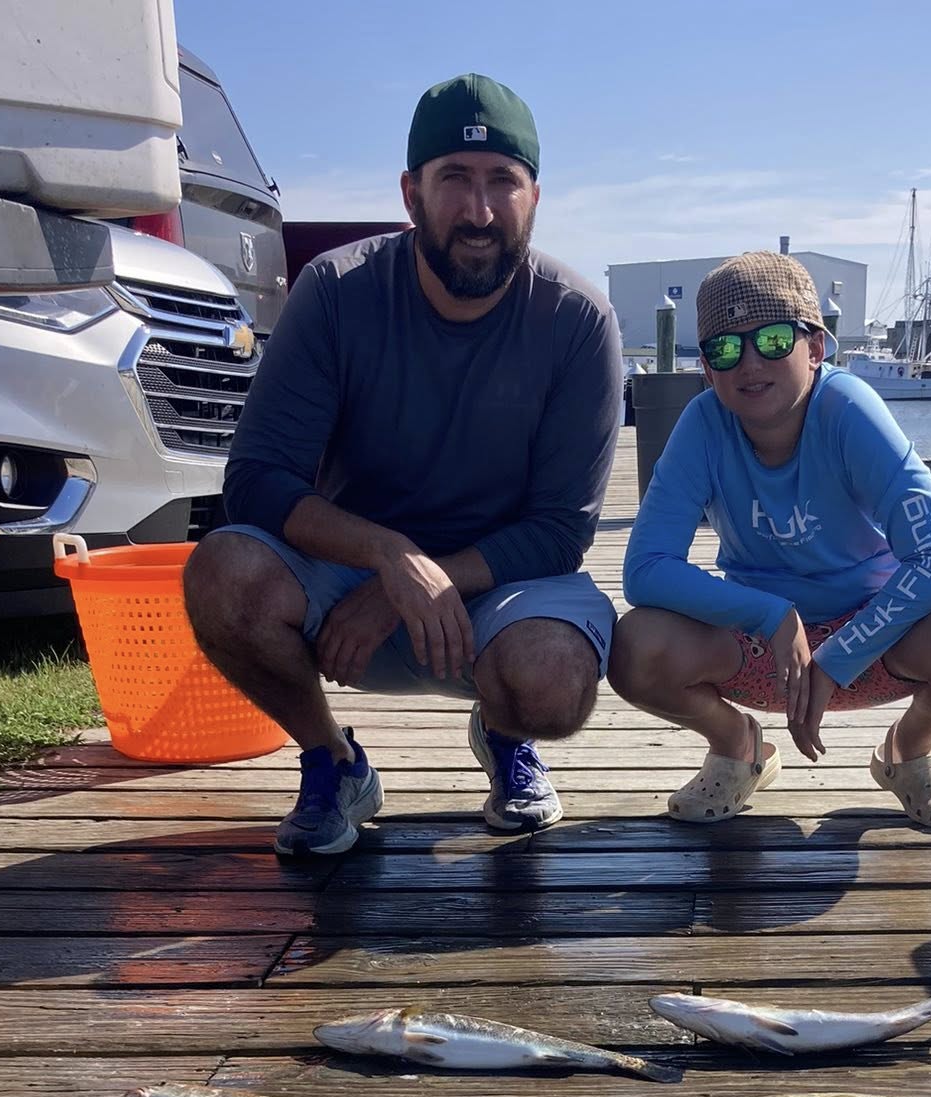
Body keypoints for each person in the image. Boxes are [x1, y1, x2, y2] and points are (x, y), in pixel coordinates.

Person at [184, 74, 623, 854]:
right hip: (345, 578)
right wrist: (389, 559)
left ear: (535, 197)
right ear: (411, 193)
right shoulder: (335, 290)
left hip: (499, 588)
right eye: (453, 178)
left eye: (502, 181)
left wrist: (428, 579)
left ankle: (506, 736)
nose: (479, 211)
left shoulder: (579, 320)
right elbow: (255, 480)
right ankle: (333, 761)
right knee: (222, 574)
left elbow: (561, 531)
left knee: (553, 683)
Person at [610, 251, 931, 826]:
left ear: (816, 347)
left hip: (875, 635)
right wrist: (772, 616)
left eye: (773, 340)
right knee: (635, 647)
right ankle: (737, 746)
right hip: (759, 647)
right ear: (706, 367)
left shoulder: (848, 408)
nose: (750, 362)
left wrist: (838, 656)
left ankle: (909, 750)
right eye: (725, 349)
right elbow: (645, 569)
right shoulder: (702, 423)